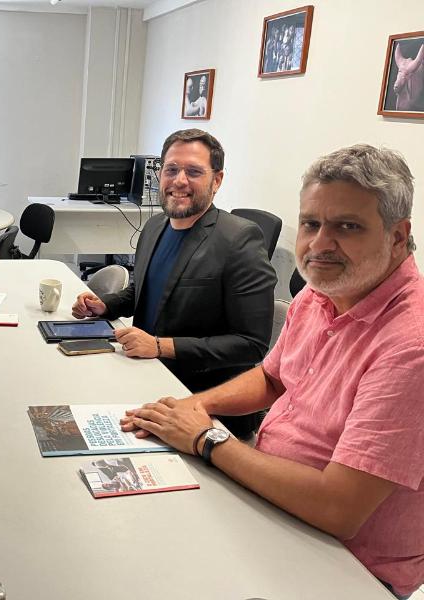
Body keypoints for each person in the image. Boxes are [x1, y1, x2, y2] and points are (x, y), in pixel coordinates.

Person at [121, 144, 423, 599]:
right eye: (311, 223)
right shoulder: (321, 293)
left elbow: (338, 508)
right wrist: (190, 406)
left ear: (398, 237)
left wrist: (207, 437)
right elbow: (273, 378)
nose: (320, 244)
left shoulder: (411, 346)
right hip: (273, 502)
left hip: (347, 564)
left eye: (348, 226)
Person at [72, 128, 276, 439]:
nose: (179, 180)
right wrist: (105, 305)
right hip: (144, 376)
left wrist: (159, 346)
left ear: (217, 180)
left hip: (201, 405)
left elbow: (251, 345)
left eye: (194, 171)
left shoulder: (239, 240)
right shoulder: (155, 226)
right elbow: (143, 291)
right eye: (171, 169)